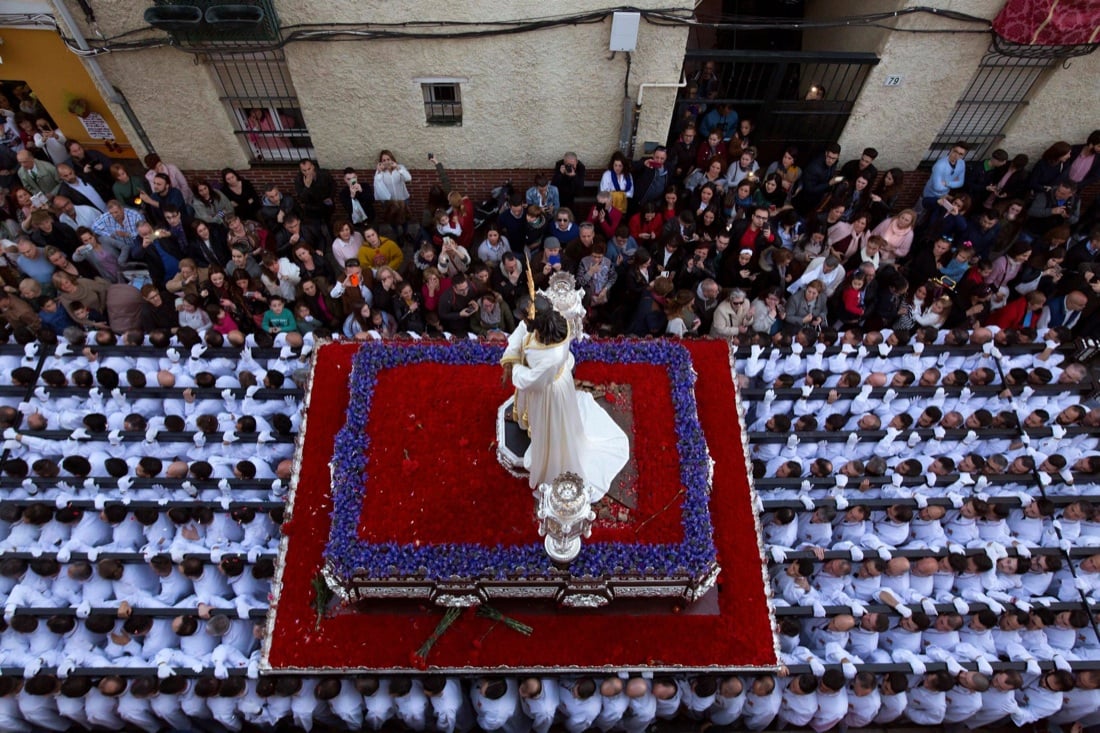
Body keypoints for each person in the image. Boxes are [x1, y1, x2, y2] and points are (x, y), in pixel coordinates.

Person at [501, 299, 629, 499]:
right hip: (547, 383)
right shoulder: (543, 327)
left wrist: (515, 364)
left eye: (527, 318)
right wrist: (511, 355)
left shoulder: (552, 355)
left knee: (552, 427)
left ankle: (551, 458)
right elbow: (521, 331)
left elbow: (529, 380)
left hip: (549, 391)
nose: (524, 321)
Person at [921, 141, 969, 214]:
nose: (956, 156)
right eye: (955, 151)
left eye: (960, 154)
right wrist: (953, 183)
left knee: (932, 216)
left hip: (944, 197)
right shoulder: (940, 165)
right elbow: (937, 187)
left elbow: (961, 183)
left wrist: (946, 183)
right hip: (929, 195)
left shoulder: (961, 163)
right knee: (919, 212)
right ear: (951, 149)